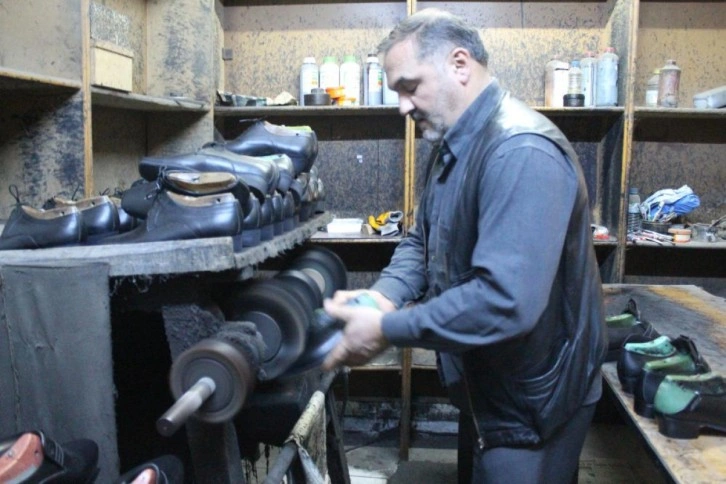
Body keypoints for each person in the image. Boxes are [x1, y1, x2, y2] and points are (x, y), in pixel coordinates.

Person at [321, 8, 607, 484]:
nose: (402, 107)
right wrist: (384, 296)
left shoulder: (521, 151)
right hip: (487, 383)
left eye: (410, 87)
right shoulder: (453, 146)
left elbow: (504, 301)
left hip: (534, 403)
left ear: (459, 64)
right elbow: (423, 239)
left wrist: (387, 328)